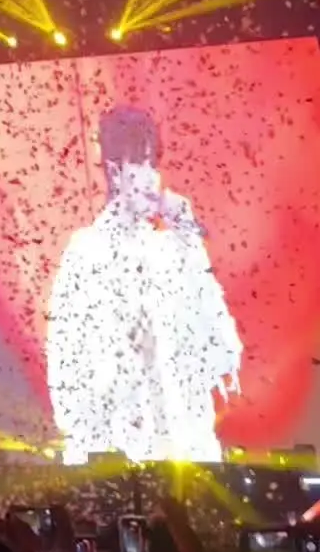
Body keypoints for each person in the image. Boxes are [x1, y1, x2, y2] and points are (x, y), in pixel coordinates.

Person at [46, 106, 242, 464]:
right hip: (116, 456)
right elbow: (66, 367)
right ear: (115, 171)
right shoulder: (86, 251)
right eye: (141, 162)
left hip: (186, 456)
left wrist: (187, 234)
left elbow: (221, 350)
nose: (153, 178)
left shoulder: (170, 250)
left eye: (155, 164)